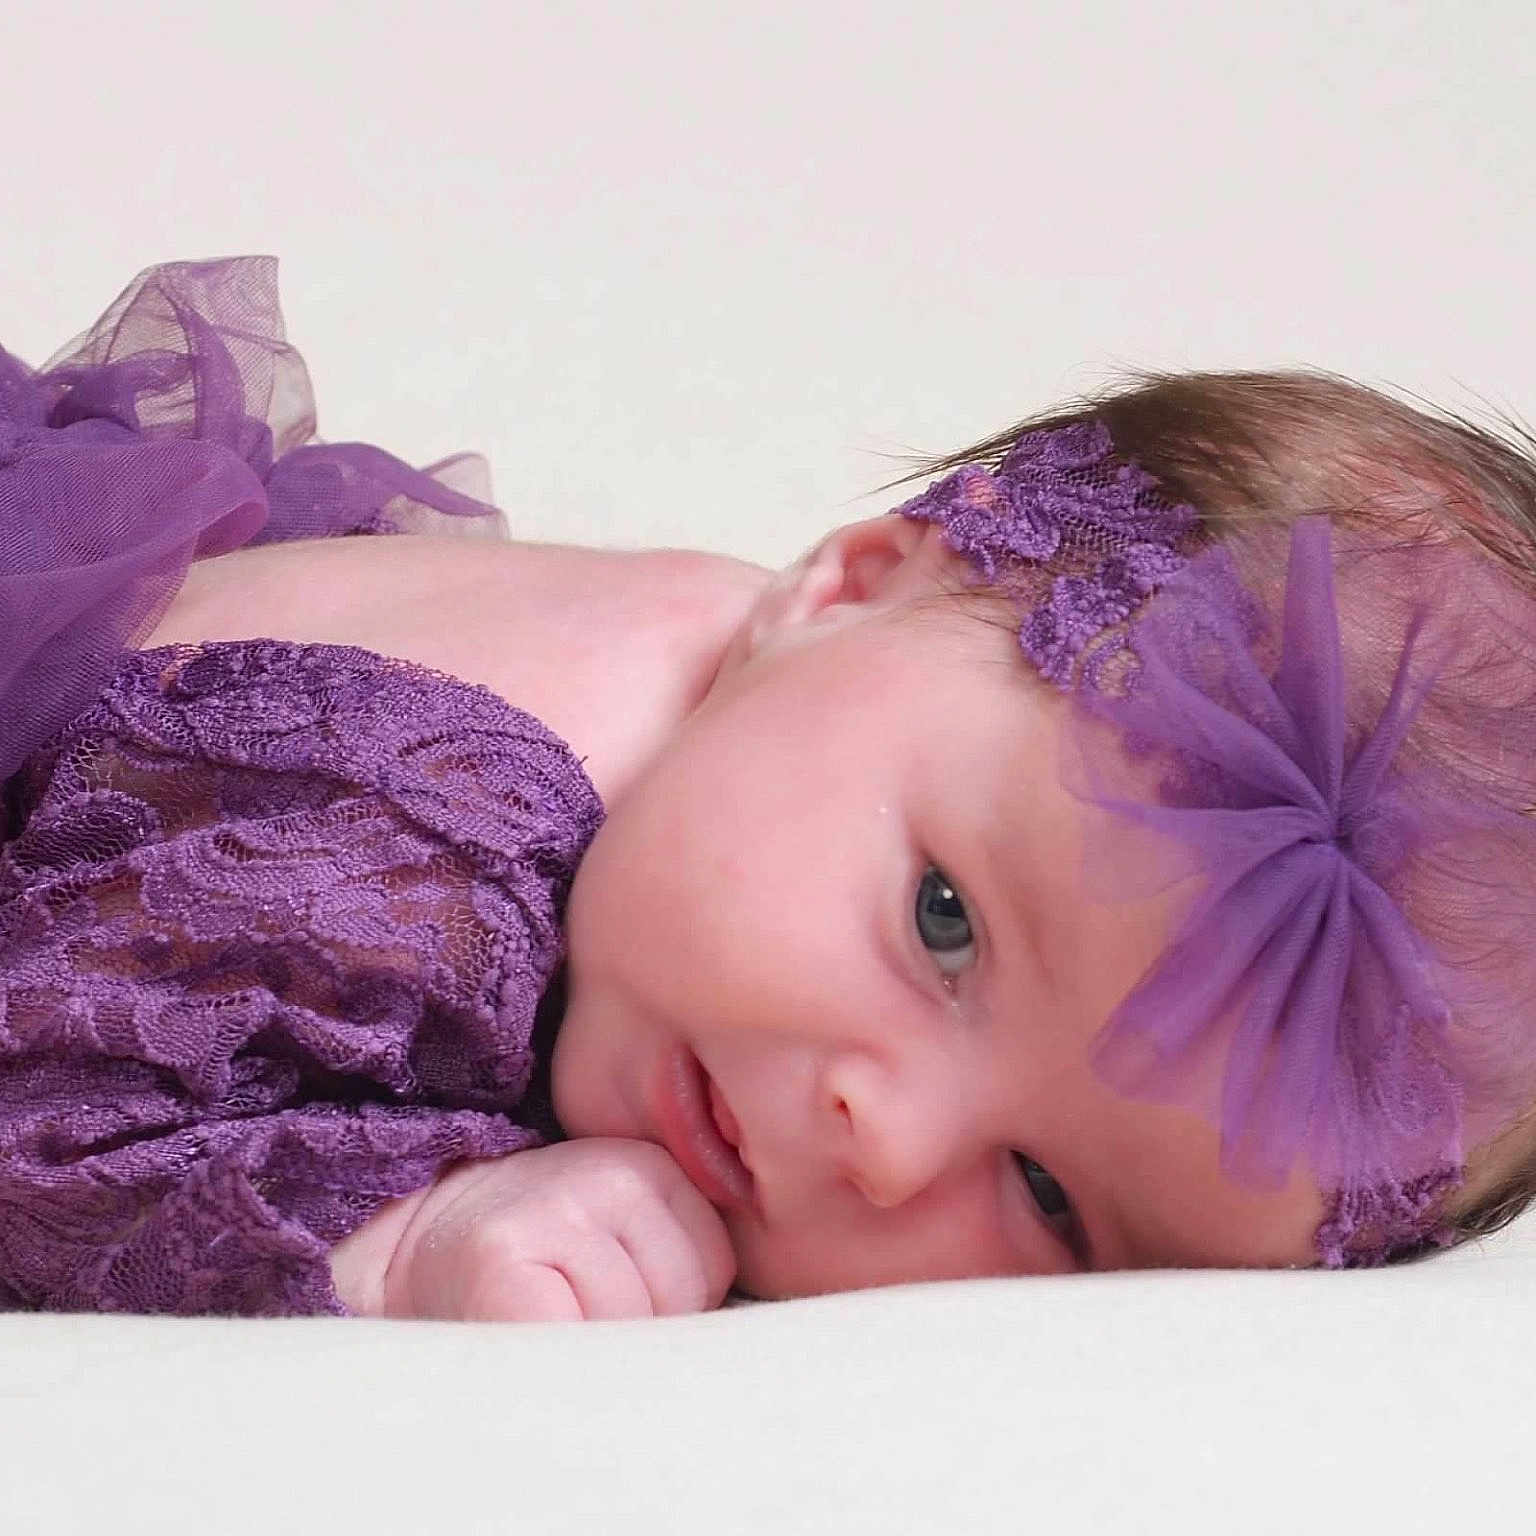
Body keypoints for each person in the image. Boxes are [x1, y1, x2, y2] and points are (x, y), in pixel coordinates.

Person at [2, 258, 1534, 1320]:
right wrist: (407, 1234)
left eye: (1053, 1201)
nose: (887, 1138)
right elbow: (45, 1138)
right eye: (944, 925)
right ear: (849, 583)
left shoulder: (820, 707)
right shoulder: (418, 835)